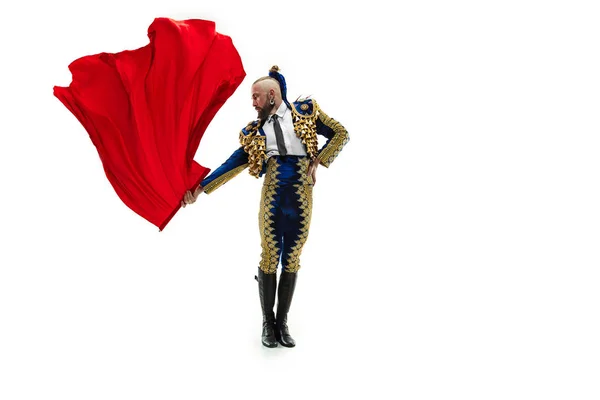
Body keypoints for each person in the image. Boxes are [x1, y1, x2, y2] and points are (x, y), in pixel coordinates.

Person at [182, 66, 349, 348]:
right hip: (272, 194)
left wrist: (317, 160)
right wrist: (200, 189)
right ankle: (267, 323)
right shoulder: (254, 132)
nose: (253, 103)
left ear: (273, 95)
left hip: (301, 194)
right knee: (270, 254)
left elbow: (340, 133)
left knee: (292, 256)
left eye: (256, 97)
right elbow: (232, 163)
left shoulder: (306, 112)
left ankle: (282, 323)